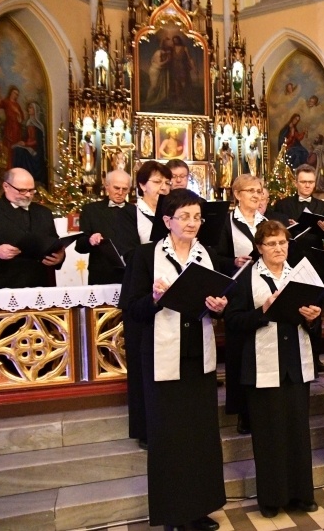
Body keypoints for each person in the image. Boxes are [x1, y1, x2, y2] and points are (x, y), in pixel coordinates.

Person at [121, 189, 227, 531]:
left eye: (197, 216)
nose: (192, 223)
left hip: (198, 353)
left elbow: (216, 300)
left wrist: (219, 308)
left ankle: (200, 508)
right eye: (184, 216)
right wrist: (154, 299)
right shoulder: (145, 255)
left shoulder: (206, 254)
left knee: (200, 434)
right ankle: (173, 515)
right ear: (167, 221)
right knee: (170, 437)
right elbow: (132, 309)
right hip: (163, 355)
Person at [224, 220, 320, 518]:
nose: (279, 248)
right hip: (262, 364)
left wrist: (313, 316)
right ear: (259, 248)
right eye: (272, 244)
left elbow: (314, 322)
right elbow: (234, 320)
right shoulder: (245, 278)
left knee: (297, 432)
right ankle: (271, 498)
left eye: (283, 243)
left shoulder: (302, 275)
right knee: (269, 435)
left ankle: (301, 495)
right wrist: (263, 311)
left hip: (295, 362)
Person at [119, 160, 171, 449]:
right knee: (142, 358)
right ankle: (143, 427)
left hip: (168, 284)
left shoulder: (171, 211)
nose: (162, 188)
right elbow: (128, 249)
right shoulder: (129, 213)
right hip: (140, 284)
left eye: (166, 183)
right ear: (141, 185)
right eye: (156, 182)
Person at [217, 175, 267, 433]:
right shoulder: (226, 222)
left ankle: (261, 407)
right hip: (237, 291)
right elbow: (215, 256)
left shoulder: (266, 223)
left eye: (259, 191)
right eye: (251, 191)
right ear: (237, 194)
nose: (257, 195)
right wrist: (233, 262)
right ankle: (241, 411)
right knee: (239, 351)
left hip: (262, 289)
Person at [0, 168, 65, 289]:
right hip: (4, 283)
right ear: (6, 186)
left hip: (40, 283)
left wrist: (60, 257)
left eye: (31, 190)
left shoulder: (44, 212)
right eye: (22, 190)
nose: (27, 195)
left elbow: (53, 242)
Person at [76, 170, 140, 285]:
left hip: (131, 274)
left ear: (129, 190)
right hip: (101, 274)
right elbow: (80, 246)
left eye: (124, 189)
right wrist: (90, 240)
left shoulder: (136, 212)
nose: (120, 192)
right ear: (107, 186)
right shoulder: (91, 210)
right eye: (116, 188)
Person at [272, 164, 324, 259]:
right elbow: (276, 232)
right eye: (303, 182)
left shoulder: (323, 206)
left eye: (311, 182)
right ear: (295, 183)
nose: (307, 185)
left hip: (315, 255)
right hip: (289, 255)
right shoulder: (282, 205)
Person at [11, 101, 48, 188]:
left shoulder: (39, 126)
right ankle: (17, 178)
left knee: (21, 152)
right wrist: (22, 142)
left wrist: (26, 144)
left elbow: (38, 142)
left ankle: (25, 178)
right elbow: (26, 137)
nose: (29, 109)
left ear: (35, 110)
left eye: (31, 108)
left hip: (35, 149)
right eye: (29, 107)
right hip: (28, 146)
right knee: (16, 149)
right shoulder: (28, 123)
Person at [0, 86, 24, 167]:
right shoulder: (6, 102)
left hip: (17, 129)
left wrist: (18, 113)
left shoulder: (17, 105)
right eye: (15, 93)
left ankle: (14, 167)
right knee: (8, 147)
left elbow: (21, 119)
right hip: (9, 128)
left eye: (17, 94)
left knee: (15, 149)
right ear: (11, 92)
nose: (16, 95)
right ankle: (7, 167)